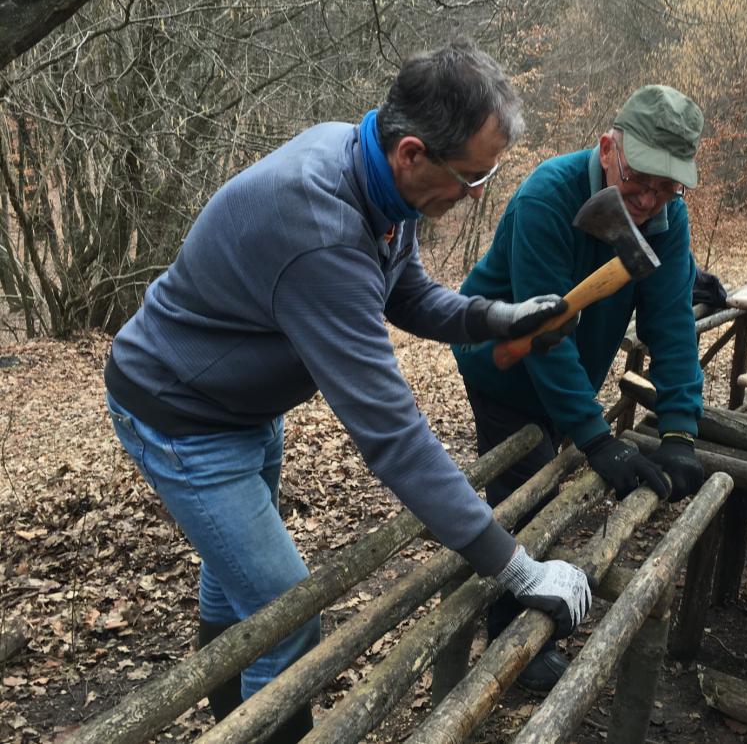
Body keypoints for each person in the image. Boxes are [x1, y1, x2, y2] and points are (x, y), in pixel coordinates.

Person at [103, 39, 591, 741]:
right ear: (413, 152)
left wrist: (494, 316)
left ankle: (226, 722)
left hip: (238, 402)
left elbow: (405, 288)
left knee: (242, 591)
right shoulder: (320, 228)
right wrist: (515, 568)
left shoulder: (366, 164)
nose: (476, 195)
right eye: (473, 178)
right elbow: (392, 437)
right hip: (180, 415)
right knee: (288, 622)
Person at [454, 84, 707, 692]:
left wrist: (680, 429)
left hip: (572, 360)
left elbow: (671, 325)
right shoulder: (548, 196)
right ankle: (508, 645)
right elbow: (544, 337)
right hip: (504, 364)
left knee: (551, 464)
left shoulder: (666, 217)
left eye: (667, 188)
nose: (649, 200)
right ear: (608, 148)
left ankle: (521, 613)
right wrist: (597, 438)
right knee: (526, 494)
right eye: (640, 180)